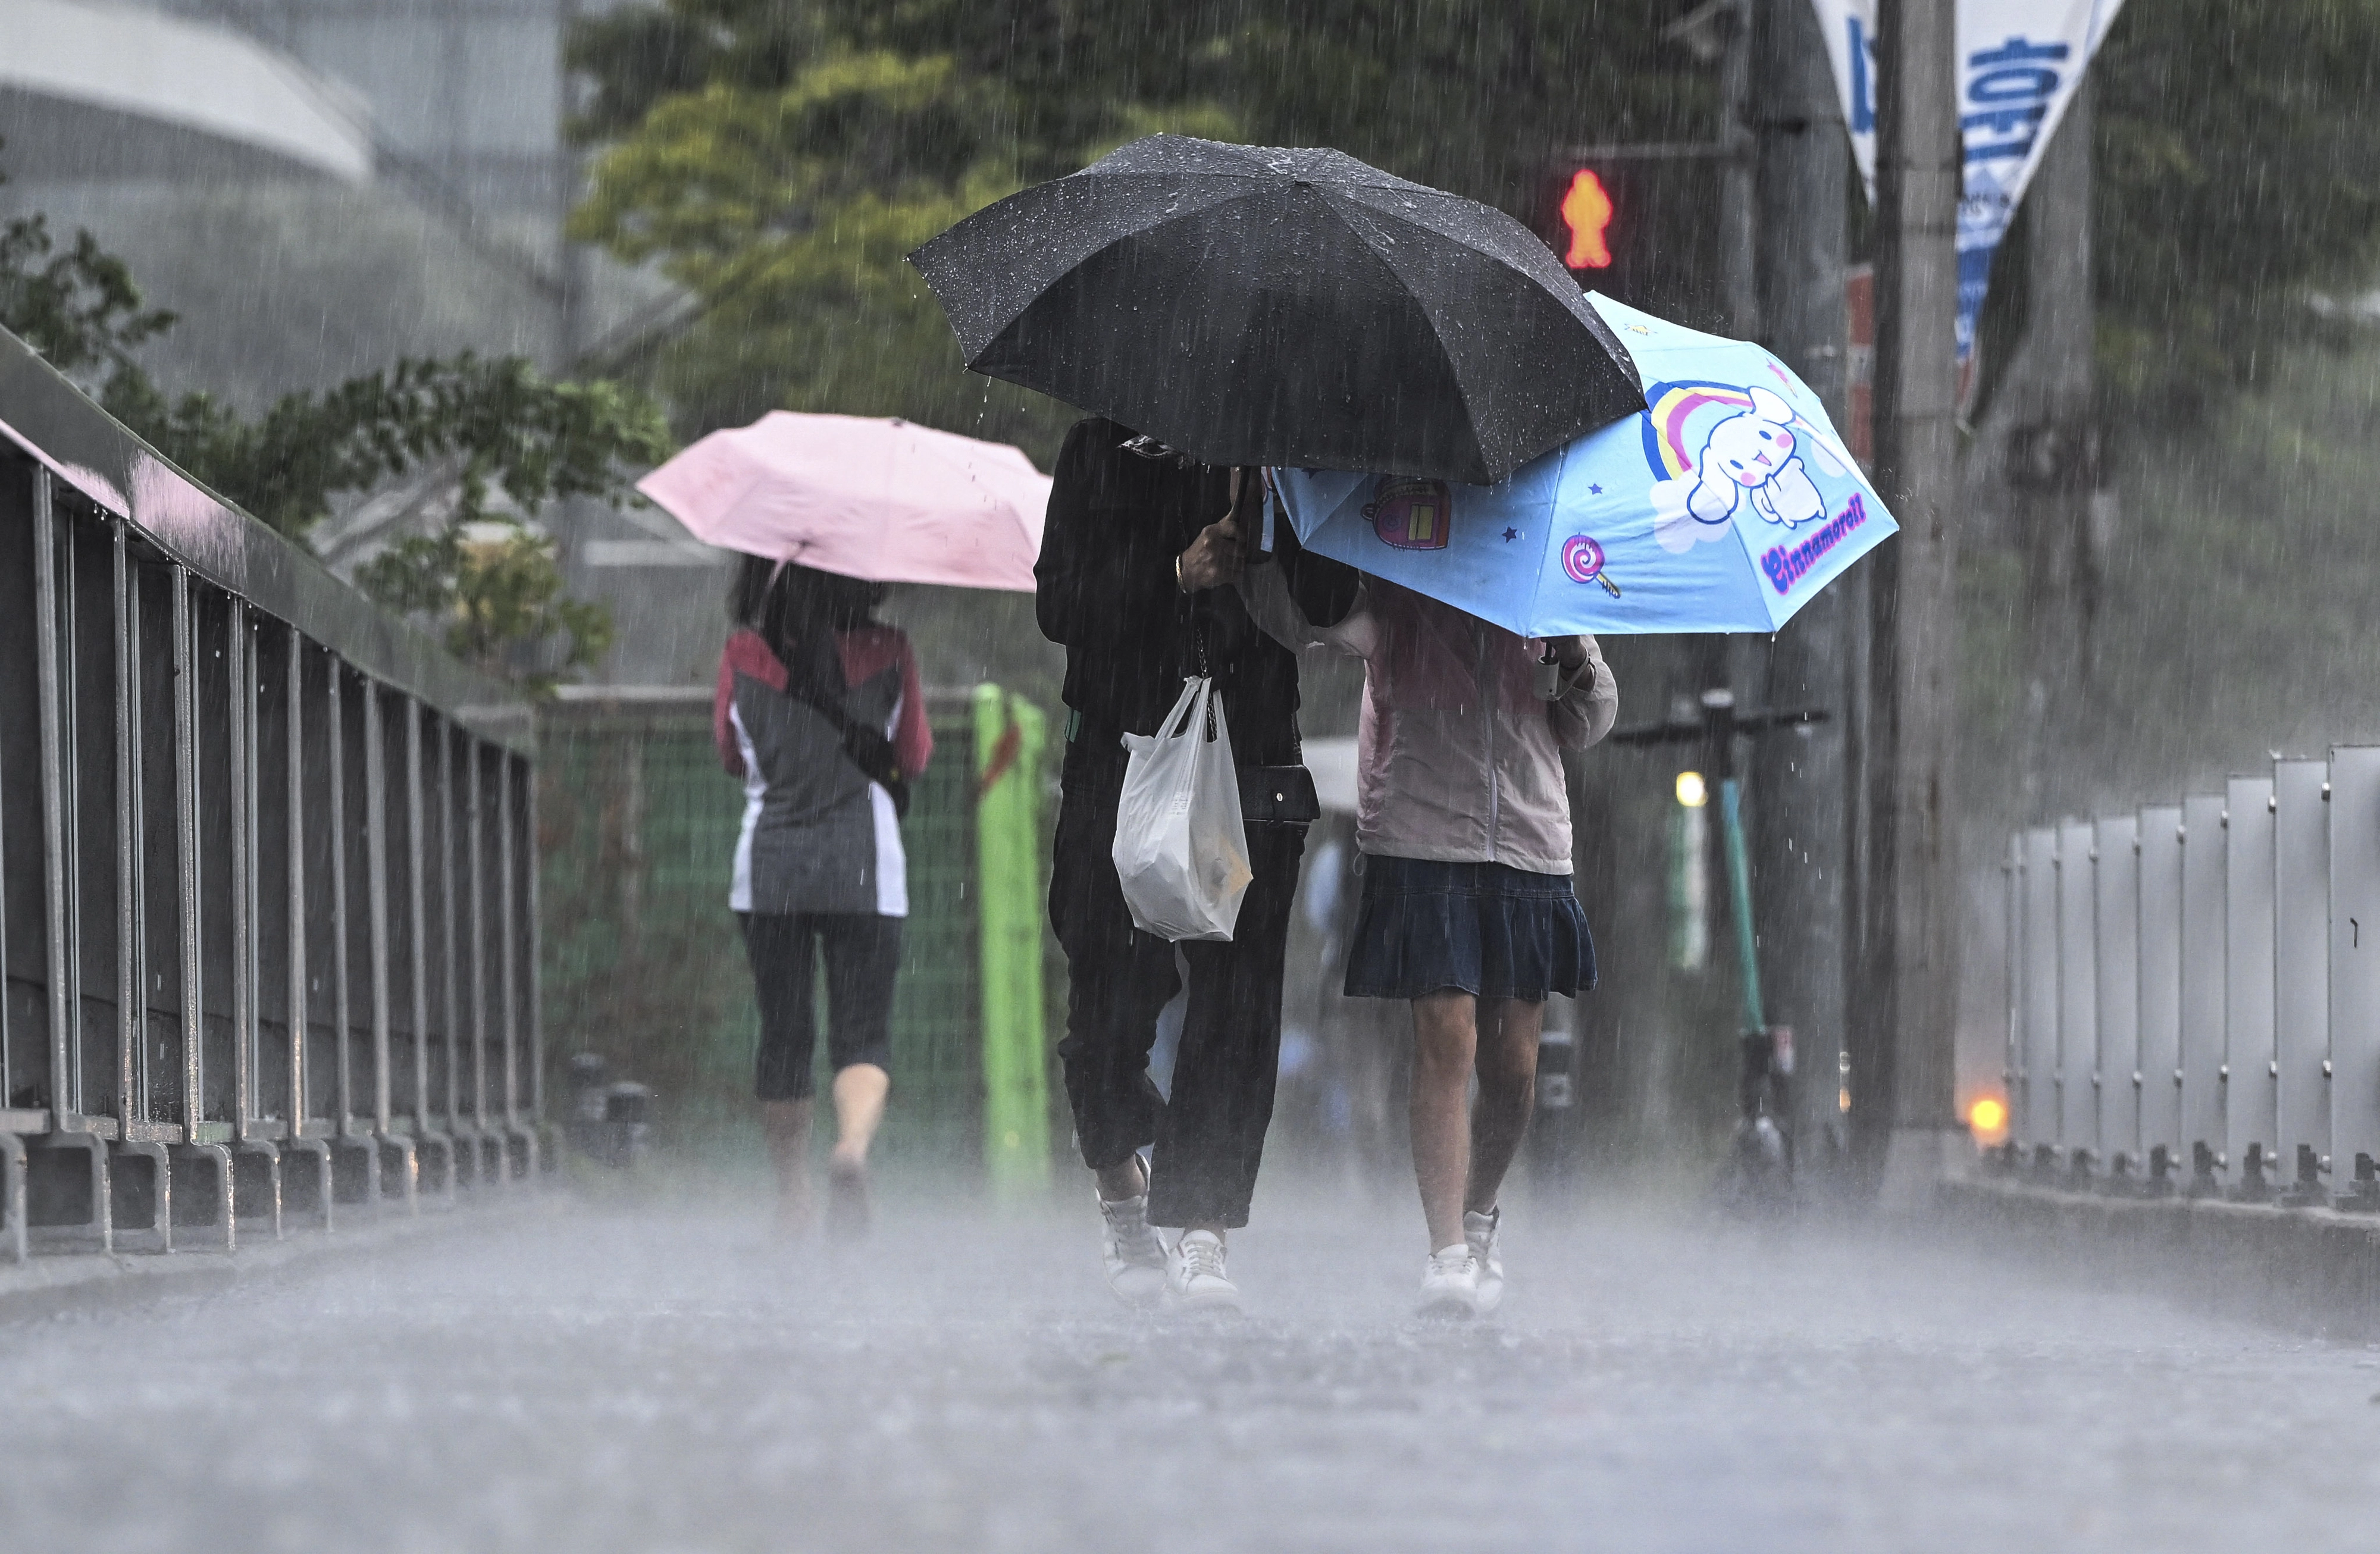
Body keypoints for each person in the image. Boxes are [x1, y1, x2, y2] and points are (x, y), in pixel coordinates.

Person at [1036, 418, 1359, 1310]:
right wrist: (1174, 574)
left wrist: (1275, 528)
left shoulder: (1292, 457)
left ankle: (1206, 1230)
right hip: (1123, 756)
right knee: (1104, 1003)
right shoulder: (1101, 448)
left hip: (1253, 758)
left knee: (1238, 1003)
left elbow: (1335, 606)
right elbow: (1060, 606)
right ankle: (1121, 1186)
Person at [1241, 556, 1616, 1317]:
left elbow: (1590, 720)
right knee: (1447, 1038)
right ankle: (1446, 1252)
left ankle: (1478, 1217)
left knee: (1514, 1064)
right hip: (1422, 832)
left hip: (1527, 838)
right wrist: (1266, 554)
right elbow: (1303, 620)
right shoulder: (1399, 568)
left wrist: (1572, 651)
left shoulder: (1544, 571)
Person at [715, 556, 931, 1242]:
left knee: (784, 1031)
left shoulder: (744, 652)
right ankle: (851, 1150)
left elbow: (731, 752)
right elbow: (915, 755)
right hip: (863, 866)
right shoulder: (890, 650)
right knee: (862, 1029)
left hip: (772, 867)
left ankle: (792, 1195)